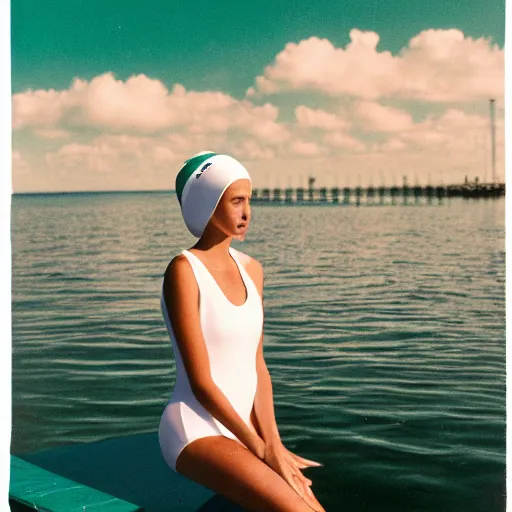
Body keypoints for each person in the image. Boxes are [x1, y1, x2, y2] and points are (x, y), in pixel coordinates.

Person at [158, 151, 326, 512]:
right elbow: (201, 382)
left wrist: (274, 443)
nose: (247, 212)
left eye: (249, 200)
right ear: (207, 202)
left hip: (246, 430)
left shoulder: (254, 270)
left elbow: (257, 366)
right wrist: (260, 449)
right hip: (196, 427)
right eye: (236, 201)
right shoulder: (184, 271)